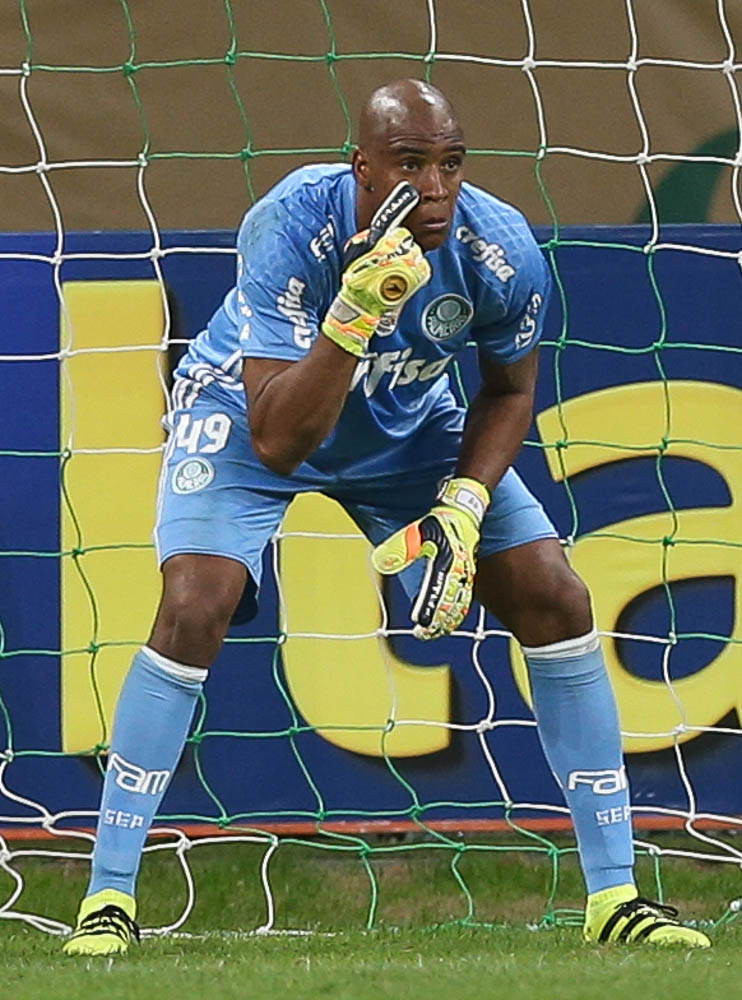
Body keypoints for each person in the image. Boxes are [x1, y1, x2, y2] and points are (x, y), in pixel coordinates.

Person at [63, 79, 710, 955]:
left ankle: (616, 898)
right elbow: (281, 435)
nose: (436, 188)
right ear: (360, 167)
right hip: (258, 409)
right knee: (195, 603)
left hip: (409, 425)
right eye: (411, 164)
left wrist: (465, 498)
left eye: (451, 163)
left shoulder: (500, 249)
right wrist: (357, 310)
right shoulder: (292, 225)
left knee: (557, 595)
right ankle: (107, 898)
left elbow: (511, 389)